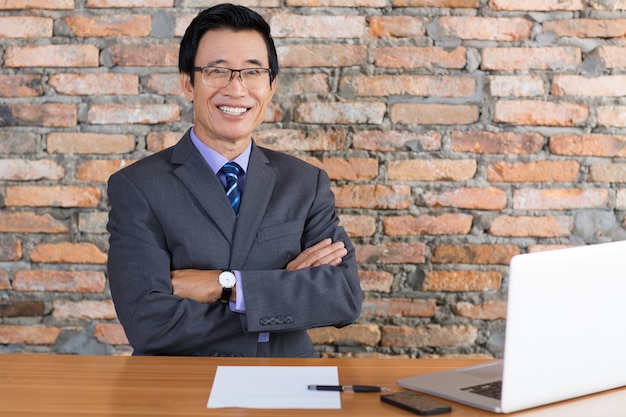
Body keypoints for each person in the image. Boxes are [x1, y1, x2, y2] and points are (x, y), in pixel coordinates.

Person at [106, 3, 363, 357]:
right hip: (182, 390)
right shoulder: (138, 187)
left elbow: (343, 297)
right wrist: (286, 290)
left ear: (271, 86)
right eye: (217, 70)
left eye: (252, 73)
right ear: (187, 83)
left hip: (285, 383)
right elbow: (149, 323)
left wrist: (226, 285)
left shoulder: (305, 183)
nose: (236, 89)